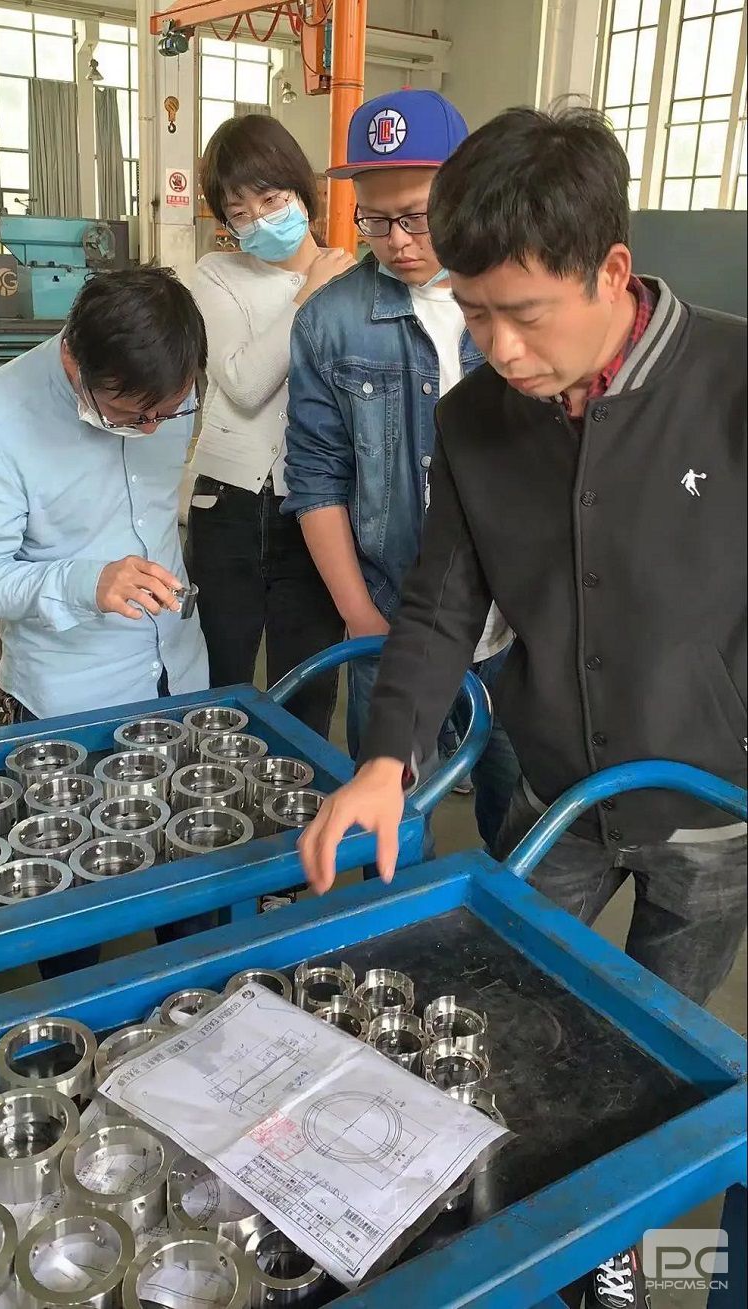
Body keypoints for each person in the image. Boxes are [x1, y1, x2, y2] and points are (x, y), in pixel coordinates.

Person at [299, 106, 747, 1010]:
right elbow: (439, 604)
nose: (501, 349)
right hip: (556, 789)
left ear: (610, 270)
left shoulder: (733, 384)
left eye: (527, 314)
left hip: (714, 809)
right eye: (475, 312)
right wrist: (385, 760)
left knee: (665, 1025)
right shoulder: (475, 420)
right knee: (500, 997)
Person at [0, 265, 213, 974]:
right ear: (75, 363)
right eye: (132, 414)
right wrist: (82, 582)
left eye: (167, 412)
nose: (152, 428)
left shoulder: (169, 385)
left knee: (191, 878)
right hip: (72, 700)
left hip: (178, 671)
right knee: (73, 904)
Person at [284, 89, 518, 845]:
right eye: (375, 220)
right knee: (390, 822)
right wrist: (361, 616)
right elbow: (316, 477)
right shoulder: (332, 322)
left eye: (417, 216)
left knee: (519, 818)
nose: (397, 241)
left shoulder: (519, 302)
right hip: (390, 611)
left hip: (516, 625)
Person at [187, 114, 352, 736]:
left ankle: (300, 788)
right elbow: (243, 383)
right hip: (227, 501)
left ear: (302, 192)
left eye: (271, 200)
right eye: (239, 212)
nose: (258, 220)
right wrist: (309, 294)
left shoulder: (354, 278)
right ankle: (210, 786)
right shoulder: (214, 275)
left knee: (308, 679)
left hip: (318, 503)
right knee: (219, 671)